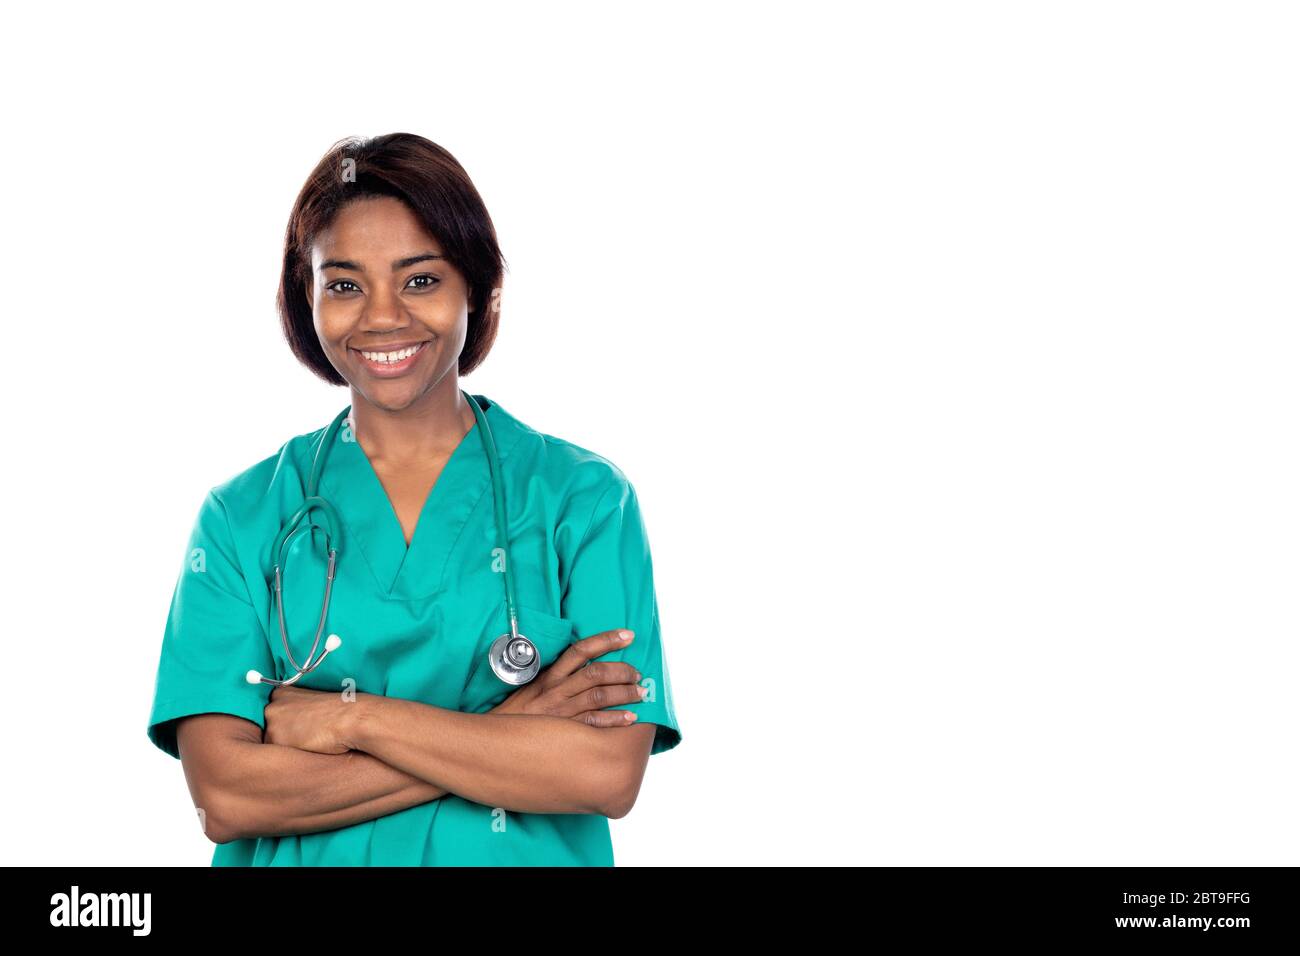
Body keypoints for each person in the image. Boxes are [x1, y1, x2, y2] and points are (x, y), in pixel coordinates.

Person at [145, 133, 681, 866]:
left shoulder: (583, 501)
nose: (382, 317)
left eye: (421, 280)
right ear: (306, 302)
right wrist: (510, 732)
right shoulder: (242, 517)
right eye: (344, 284)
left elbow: (605, 773)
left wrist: (350, 719)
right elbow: (227, 798)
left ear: (478, 287)